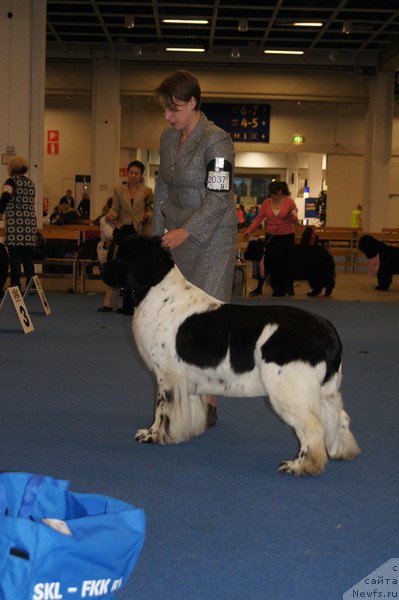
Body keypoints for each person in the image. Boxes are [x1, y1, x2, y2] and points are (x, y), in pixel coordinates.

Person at [152, 69, 238, 427]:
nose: (168, 117)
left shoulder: (218, 141)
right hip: (177, 238)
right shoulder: (167, 138)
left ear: (192, 102)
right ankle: (181, 395)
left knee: (209, 322)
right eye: (164, 110)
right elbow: (162, 187)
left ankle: (209, 403)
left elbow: (220, 197)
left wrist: (186, 230)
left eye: (174, 109)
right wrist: (157, 237)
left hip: (212, 239)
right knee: (178, 321)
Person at [99, 161, 153, 314]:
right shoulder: (118, 190)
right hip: (123, 231)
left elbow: (151, 209)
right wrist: (111, 215)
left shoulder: (147, 191)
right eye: (131, 172)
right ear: (127, 173)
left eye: (136, 173)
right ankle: (109, 303)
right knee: (117, 264)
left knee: (137, 268)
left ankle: (138, 304)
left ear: (141, 175)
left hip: (140, 232)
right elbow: (115, 209)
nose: (133, 176)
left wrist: (147, 216)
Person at [243, 180, 298, 297]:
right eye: (270, 193)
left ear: (280, 191)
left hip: (287, 237)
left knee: (287, 262)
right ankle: (259, 288)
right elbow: (258, 219)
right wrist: (249, 230)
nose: (271, 195)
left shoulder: (290, 202)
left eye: (274, 193)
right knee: (266, 263)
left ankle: (289, 287)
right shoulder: (267, 203)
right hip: (271, 238)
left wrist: (291, 216)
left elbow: (296, 221)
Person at [0, 155, 37, 290]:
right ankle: (32, 285)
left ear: (12, 168)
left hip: (16, 225)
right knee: (27, 257)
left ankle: (15, 285)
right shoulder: (30, 183)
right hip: (29, 225)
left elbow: (5, 196)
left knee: (14, 257)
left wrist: (0, 212)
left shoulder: (11, 182)